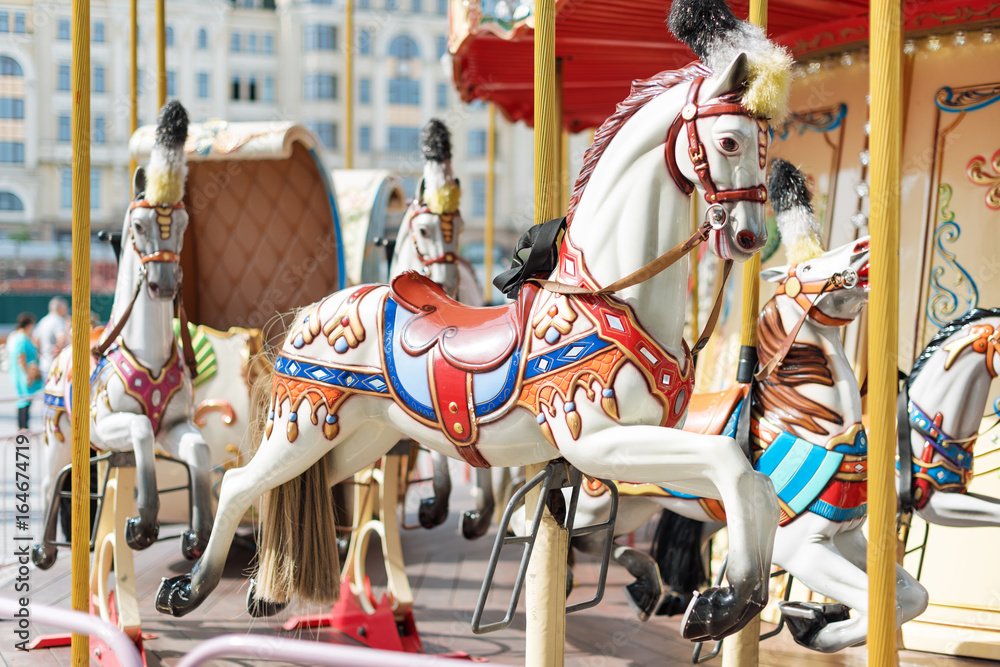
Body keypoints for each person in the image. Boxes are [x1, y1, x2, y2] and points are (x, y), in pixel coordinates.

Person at [9, 312, 43, 431]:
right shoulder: (22, 339)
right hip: (24, 373)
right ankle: (23, 426)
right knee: (24, 399)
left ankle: (23, 425)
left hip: (22, 372)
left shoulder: (17, 336)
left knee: (25, 399)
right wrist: (27, 374)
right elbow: (21, 358)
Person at [34, 296, 69, 377]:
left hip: (44, 364)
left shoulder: (43, 320)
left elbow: (35, 340)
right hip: (56, 365)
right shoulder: (58, 320)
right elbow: (62, 338)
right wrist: (59, 349)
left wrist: (42, 353)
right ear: (61, 308)